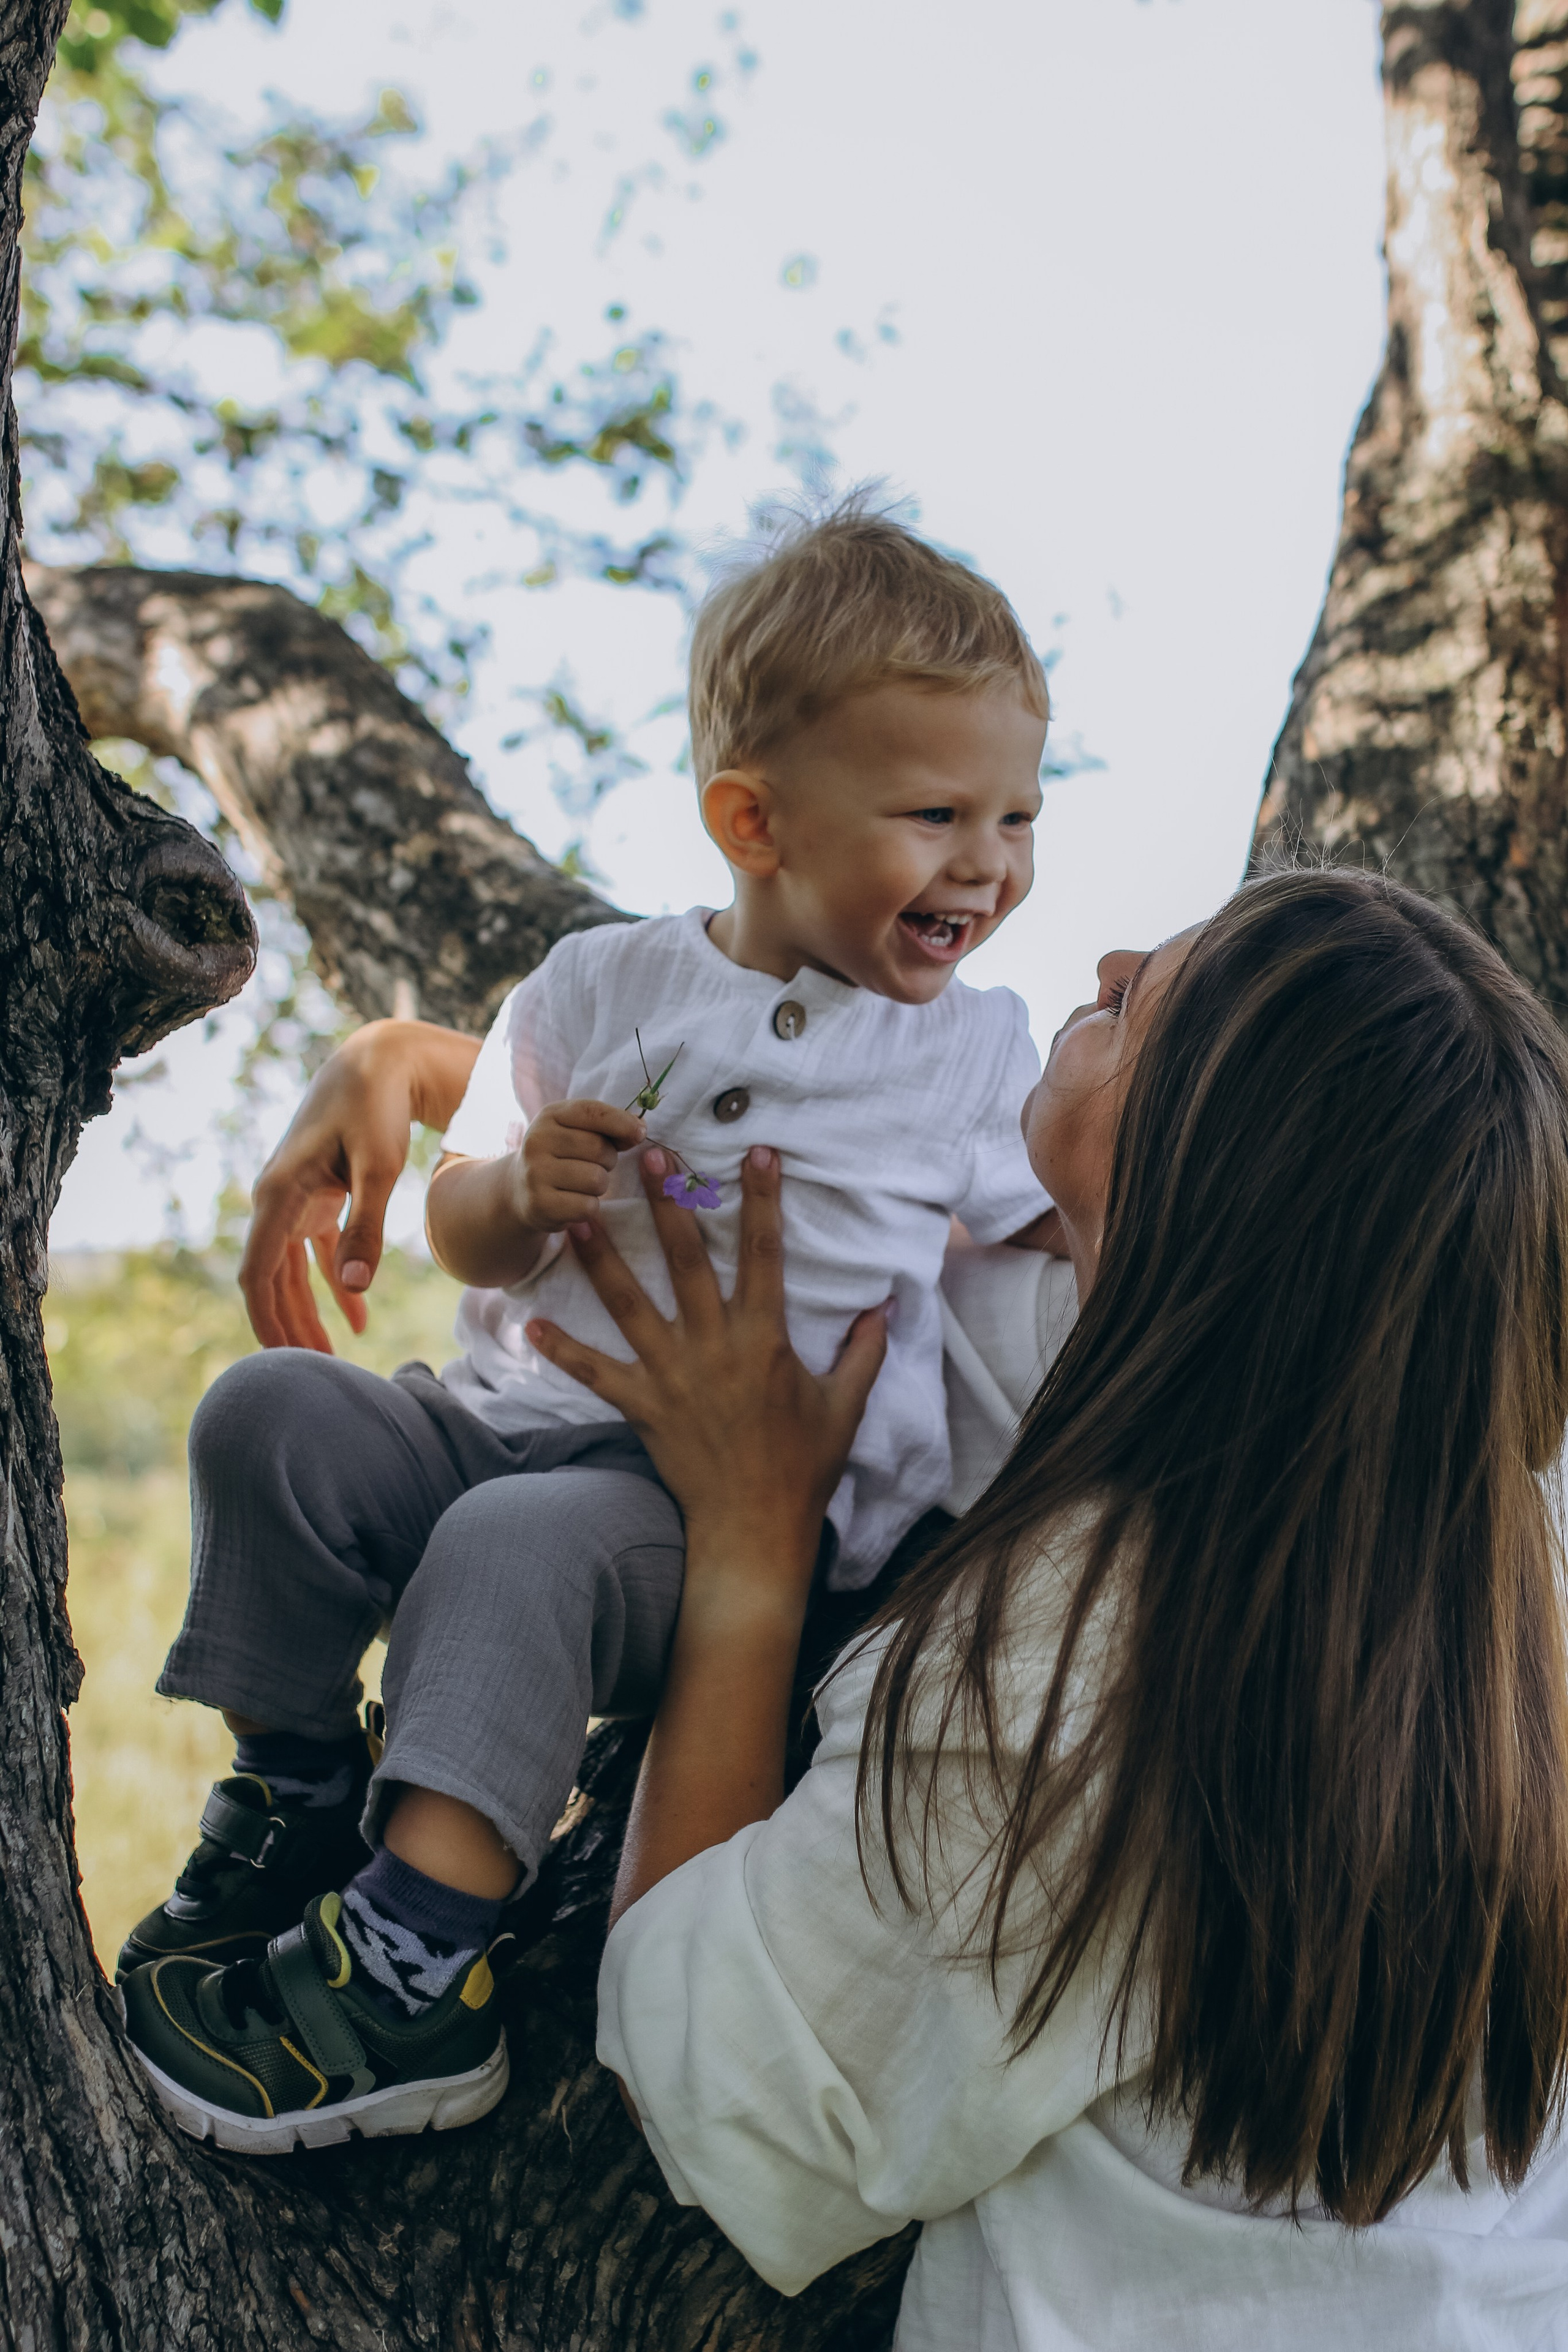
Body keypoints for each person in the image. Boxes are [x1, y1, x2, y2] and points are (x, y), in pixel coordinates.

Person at [119, 500, 1063, 2151]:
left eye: (1016, 816)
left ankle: (413, 1980)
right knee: (267, 1411)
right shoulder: (595, 988)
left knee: (517, 1549)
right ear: (752, 820)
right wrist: (519, 1193)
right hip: (494, 1414)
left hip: (706, 1513)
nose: (987, 864)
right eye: (937, 814)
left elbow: (1069, 1216)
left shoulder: (977, 1057)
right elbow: (457, 1205)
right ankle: (294, 1795)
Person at [529, 869, 1567, 2347]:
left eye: (1165, 994)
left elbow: (712, 2078)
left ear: (1211, 1175)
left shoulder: (1069, 1674)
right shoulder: (1510, 1525)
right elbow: (969, 1290)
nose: (1110, 952)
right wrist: (437, 1081)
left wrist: (752, 1559)